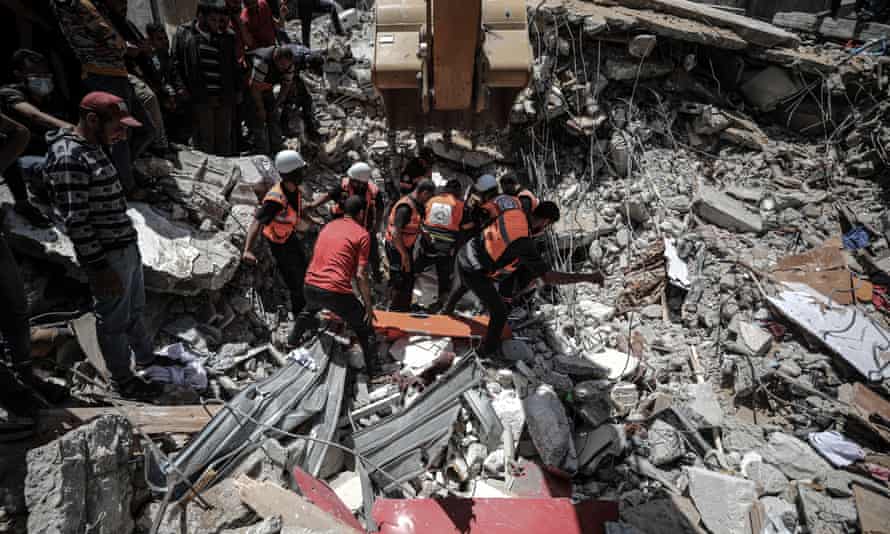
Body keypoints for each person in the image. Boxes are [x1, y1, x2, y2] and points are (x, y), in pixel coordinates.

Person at [43, 92, 163, 398]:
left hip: (124, 247)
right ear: (93, 120)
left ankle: (147, 360)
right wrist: (99, 267)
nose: (123, 134)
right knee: (112, 321)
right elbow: (76, 221)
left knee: (134, 309)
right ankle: (123, 380)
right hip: (107, 256)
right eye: (118, 126)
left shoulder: (93, 147)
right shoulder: (70, 156)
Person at [442, 201, 603, 357]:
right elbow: (549, 277)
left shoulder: (514, 213)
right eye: (548, 226)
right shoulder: (523, 242)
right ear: (545, 221)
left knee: (463, 284)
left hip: (466, 252)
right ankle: (487, 351)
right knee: (499, 312)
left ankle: (446, 311)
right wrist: (588, 277)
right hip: (473, 269)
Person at [51, 0, 153, 196]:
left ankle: (122, 174)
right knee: (122, 135)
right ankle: (127, 187)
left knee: (144, 130)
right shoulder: (80, 4)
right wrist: (130, 47)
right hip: (104, 75)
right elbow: (109, 37)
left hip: (113, 74)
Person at [291, 196, 380, 373]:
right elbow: (360, 275)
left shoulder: (328, 227)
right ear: (362, 213)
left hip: (310, 285)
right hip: (333, 292)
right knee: (365, 326)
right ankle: (375, 371)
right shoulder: (362, 234)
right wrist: (368, 307)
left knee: (310, 310)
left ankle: (291, 341)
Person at [242, 150, 318, 346]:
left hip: (289, 236)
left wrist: (312, 221)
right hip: (278, 243)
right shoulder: (275, 199)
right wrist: (248, 250)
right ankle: (302, 323)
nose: (304, 172)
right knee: (295, 283)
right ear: (292, 173)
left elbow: (296, 211)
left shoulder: (294, 190)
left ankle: (307, 313)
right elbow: (257, 222)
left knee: (304, 272)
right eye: (300, 170)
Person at [0, 50, 74, 227]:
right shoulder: (9, 93)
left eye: (45, 74)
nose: (43, 79)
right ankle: (27, 201)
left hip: (48, 155)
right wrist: (69, 128)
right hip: (21, 162)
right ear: (19, 74)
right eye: (35, 75)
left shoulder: (53, 97)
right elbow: (33, 115)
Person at [172, 0, 243, 156]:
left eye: (218, 20)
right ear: (200, 17)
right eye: (213, 20)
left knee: (224, 139)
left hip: (224, 97)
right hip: (202, 99)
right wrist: (181, 88)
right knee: (206, 140)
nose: (217, 24)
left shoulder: (223, 38)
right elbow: (178, 66)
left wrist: (237, 90)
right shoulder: (187, 37)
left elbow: (233, 66)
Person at [307, 161, 384, 276]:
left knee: (372, 250)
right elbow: (329, 195)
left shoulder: (373, 192)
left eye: (352, 179)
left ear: (361, 183)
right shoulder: (344, 185)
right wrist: (313, 205)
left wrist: (376, 226)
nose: (349, 180)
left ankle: (377, 273)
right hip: (341, 222)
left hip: (363, 226)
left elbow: (380, 210)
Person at [414, 179, 473, 311]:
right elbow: (467, 228)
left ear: (446, 189)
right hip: (446, 246)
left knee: (415, 268)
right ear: (458, 191)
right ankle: (442, 305)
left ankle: (404, 292)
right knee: (445, 277)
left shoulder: (431, 200)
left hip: (427, 242)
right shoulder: (460, 205)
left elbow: (422, 219)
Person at [384, 180, 436, 311]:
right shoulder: (405, 208)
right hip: (396, 247)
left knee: (409, 277)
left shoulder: (417, 205)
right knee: (399, 279)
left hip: (407, 246)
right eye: (429, 197)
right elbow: (396, 232)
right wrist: (404, 255)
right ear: (424, 193)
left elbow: (415, 223)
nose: (428, 200)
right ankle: (393, 309)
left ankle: (403, 307)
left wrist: (423, 233)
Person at [247, 45, 295, 154]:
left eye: (286, 66)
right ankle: (262, 152)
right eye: (282, 65)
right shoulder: (263, 62)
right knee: (258, 118)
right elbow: (254, 87)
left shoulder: (289, 65)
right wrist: (260, 108)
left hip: (266, 85)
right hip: (250, 84)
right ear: (275, 58)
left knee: (273, 115)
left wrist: (277, 103)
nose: (284, 68)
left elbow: (286, 85)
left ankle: (277, 148)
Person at [281, 44, 325, 139]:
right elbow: (287, 76)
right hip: (282, 72)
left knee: (307, 100)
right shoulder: (295, 59)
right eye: (312, 70)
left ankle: (310, 128)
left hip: (294, 73)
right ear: (308, 65)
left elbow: (319, 71)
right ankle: (284, 126)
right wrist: (292, 90)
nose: (312, 72)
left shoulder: (312, 56)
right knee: (290, 100)